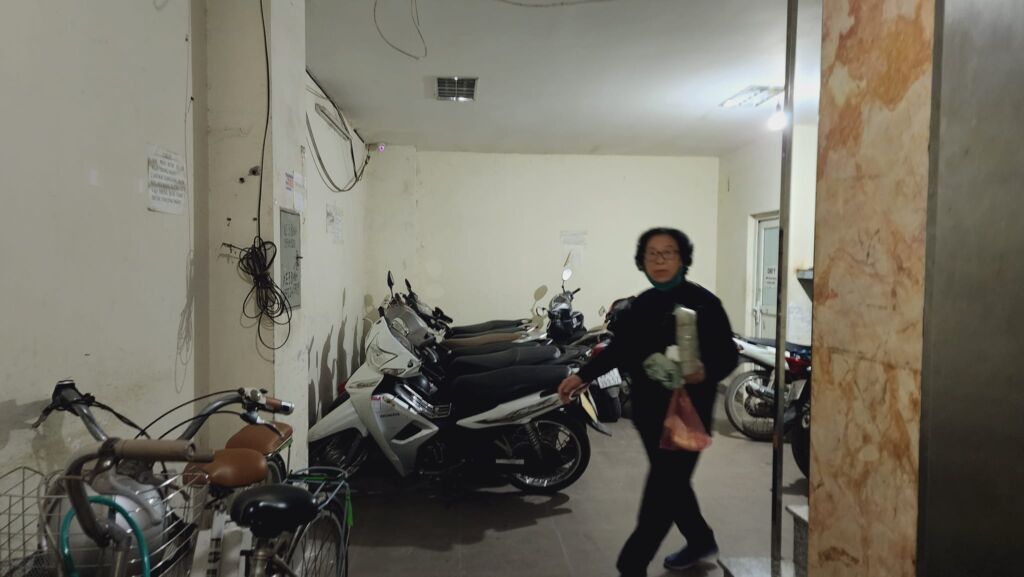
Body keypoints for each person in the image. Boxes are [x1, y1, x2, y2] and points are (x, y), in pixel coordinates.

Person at [558, 227, 738, 577]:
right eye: (651, 254)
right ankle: (700, 540)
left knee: (662, 491)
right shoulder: (642, 304)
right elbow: (620, 348)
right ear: (642, 262)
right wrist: (583, 375)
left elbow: (728, 355)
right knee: (673, 484)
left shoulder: (705, 304)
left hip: (688, 415)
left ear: (683, 259)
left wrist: (705, 370)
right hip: (649, 414)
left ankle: (632, 563)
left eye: (668, 252)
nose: (659, 260)